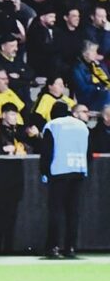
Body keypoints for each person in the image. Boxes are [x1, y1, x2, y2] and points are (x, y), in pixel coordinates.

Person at [40, 102, 92, 259]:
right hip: (78, 171)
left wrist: (44, 172)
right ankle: (70, 248)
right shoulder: (82, 126)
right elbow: (88, 152)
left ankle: (53, 247)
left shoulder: (52, 125)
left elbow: (47, 151)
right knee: (73, 212)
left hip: (59, 172)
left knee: (56, 211)